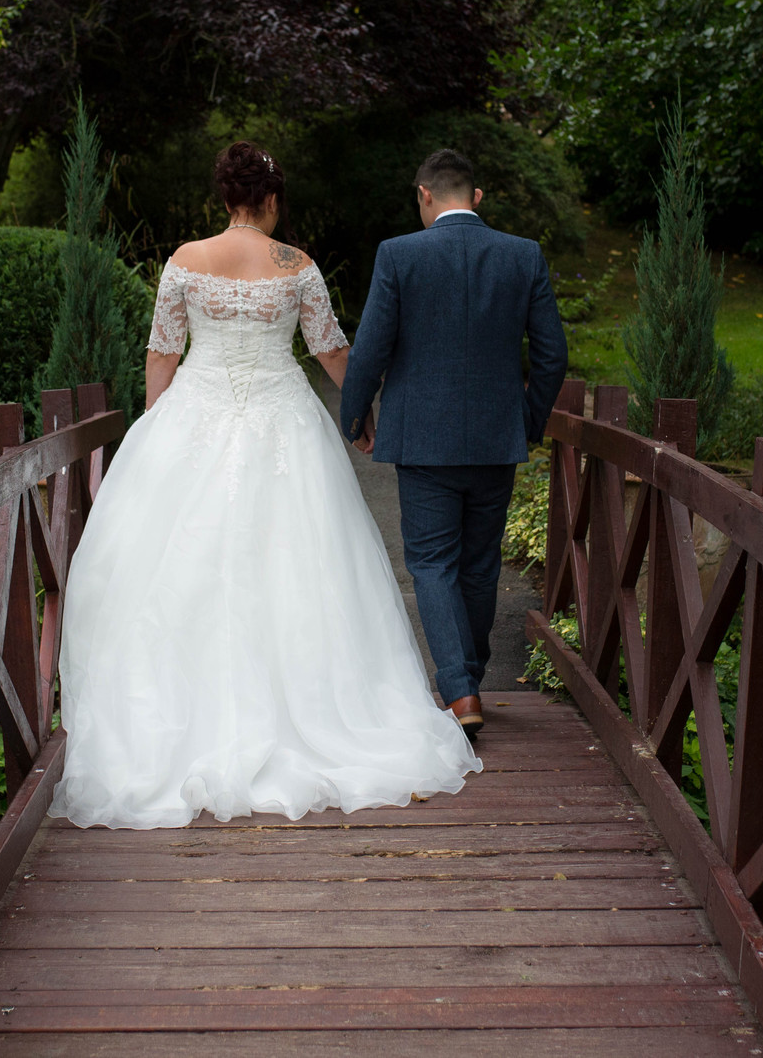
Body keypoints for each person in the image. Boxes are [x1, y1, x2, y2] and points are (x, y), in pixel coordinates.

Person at [49, 142, 480, 830]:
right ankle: (317, 712)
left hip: (197, 414)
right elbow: (333, 351)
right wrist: (367, 418)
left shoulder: (185, 261)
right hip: (286, 425)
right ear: (273, 198)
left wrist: (157, 433)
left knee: (178, 573)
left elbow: (162, 356)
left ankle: (183, 714)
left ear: (226, 198)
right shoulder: (297, 267)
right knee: (303, 567)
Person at [338, 148, 569, 736]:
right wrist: (527, 421)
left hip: (422, 439)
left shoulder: (399, 255)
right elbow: (551, 357)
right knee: (479, 563)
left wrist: (355, 414)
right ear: (477, 197)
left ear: (423, 195)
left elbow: (371, 348)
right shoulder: (523, 256)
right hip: (496, 439)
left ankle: (461, 692)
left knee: (433, 564)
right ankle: (469, 678)